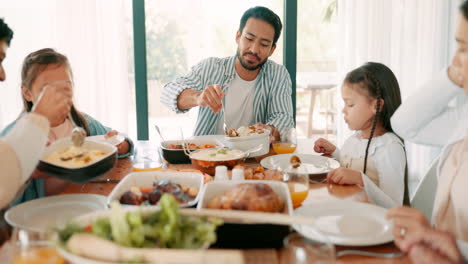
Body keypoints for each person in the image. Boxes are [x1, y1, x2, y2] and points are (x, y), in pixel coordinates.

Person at [387, 1, 468, 260]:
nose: (454, 59)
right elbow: (404, 123)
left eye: (464, 48)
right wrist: (453, 77)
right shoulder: (463, 117)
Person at [0, 48, 134, 203]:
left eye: (65, 87)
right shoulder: (14, 136)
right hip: (41, 213)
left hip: (82, 203)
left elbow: (121, 142)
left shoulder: (82, 123)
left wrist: (120, 145)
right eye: (48, 90)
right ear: (27, 93)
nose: (58, 96)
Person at [161, 6, 294, 141]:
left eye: (264, 44)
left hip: (254, 158)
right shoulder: (211, 67)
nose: (254, 49)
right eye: (249, 38)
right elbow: (167, 93)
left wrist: (271, 130)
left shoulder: (278, 74)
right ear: (238, 37)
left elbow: (284, 118)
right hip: (207, 154)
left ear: (272, 50)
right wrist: (197, 97)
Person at [314, 62, 408, 208]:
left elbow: (394, 206)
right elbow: (355, 163)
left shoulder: (389, 148)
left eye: (350, 104)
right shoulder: (356, 139)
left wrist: (361, 180)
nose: (343, 110)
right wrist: (335, 152)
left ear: (376, 106)